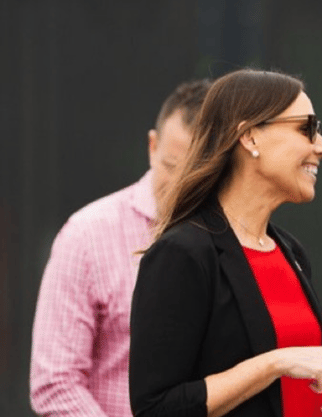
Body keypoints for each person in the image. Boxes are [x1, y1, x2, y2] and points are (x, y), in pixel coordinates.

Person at [128, 69, 322, 417]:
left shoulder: (291, 252)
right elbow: (155, 408)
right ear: (249, 137)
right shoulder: (183, 254)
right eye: (306, 128)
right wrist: (275, 362)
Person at [29, 79, 211, 416]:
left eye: (198, 172)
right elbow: (56, 382)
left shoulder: (233, 236)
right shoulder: (87, 235)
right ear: (152, 146)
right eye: (173, 167)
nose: (183, 184)